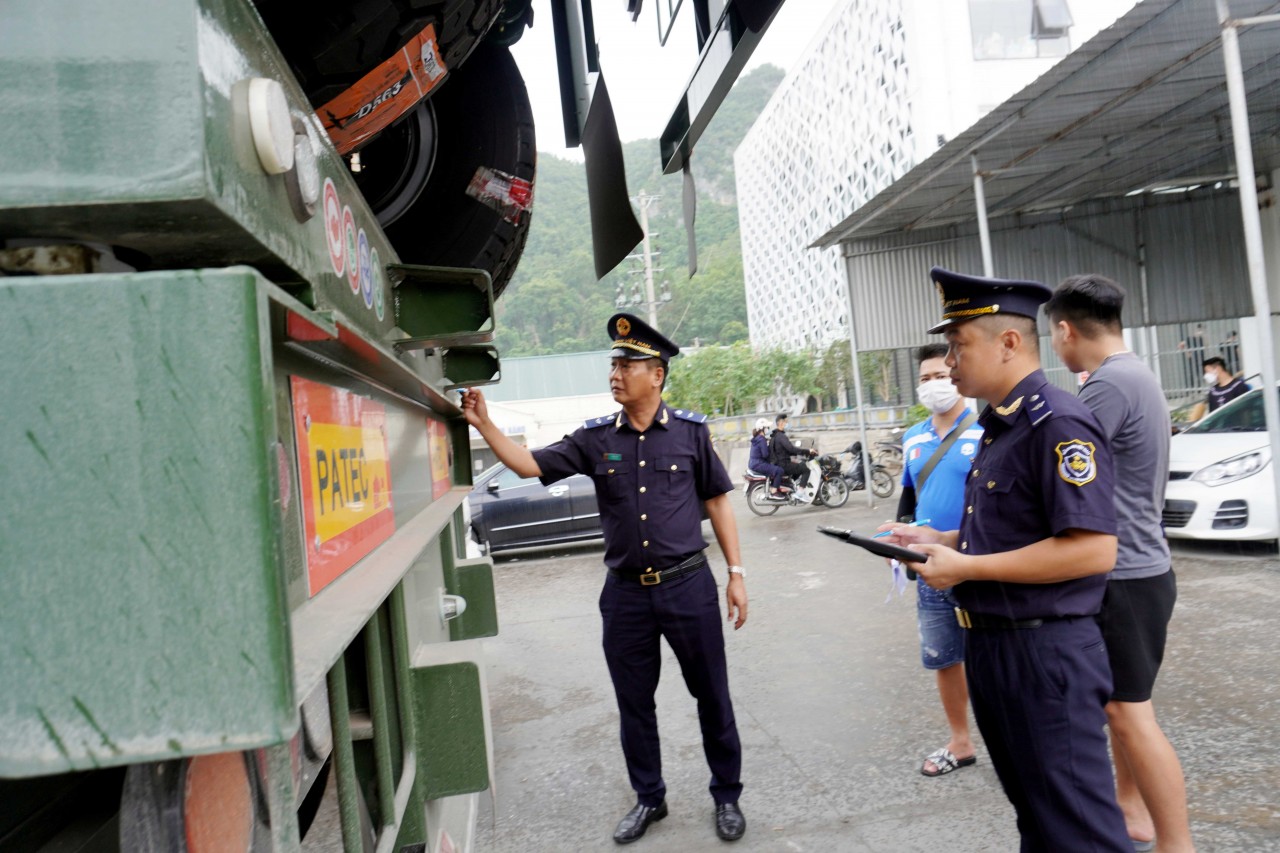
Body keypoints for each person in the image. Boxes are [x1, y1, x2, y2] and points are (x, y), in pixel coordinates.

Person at [461, 313, 750, 845]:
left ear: (656, 375)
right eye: (613, 364)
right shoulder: (595, 440)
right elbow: (528, 465)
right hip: (624, 596)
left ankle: (726, 794)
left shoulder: (689, 433)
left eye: (627, 364)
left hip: (689, 585)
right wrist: (484, 424)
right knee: (634, 703)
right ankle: (649, 799)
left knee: (712, 694)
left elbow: (717, 501)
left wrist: (735, 574)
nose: (615, 373)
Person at [883, 267, 1131, 851]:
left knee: (1080, 830)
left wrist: (965, 569)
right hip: (995, 647)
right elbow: (1006, 533)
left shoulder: (1058, 422)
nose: (949, 361)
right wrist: (937, 541)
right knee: (1037, 817)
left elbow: (1094, 549)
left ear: (1010, 343)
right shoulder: (1000, 428)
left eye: (959, 344)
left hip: (1045, 654)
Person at [1046, 275, 1194, 852]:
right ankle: (1129, 808)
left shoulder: (1106, 386)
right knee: (1122, 706)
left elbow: (1063, 475)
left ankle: (1176, 844)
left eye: (1053, 336)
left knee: (1132, 715)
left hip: (1125, 575)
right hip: (1143, 568)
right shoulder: (1138, 374)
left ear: (1065, 329)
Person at [897, 343, 983, 777]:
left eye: (941, 375)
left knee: (996, 656)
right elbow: (909, 503)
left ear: (958, 374)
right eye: (926, 378)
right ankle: (960, 741)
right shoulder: (912, 437)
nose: (934, 385)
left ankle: (1016, 741)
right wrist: (895, 540)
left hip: (984, 566)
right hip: (931, 569)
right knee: (944, 657)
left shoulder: (988, 430)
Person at [1188, 356, 1249, 422]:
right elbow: (1212, 415)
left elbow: (1245, 412)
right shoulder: (1213, 391)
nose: (1206, 375)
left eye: (1207, 371)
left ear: (1218, 368)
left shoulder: (1239, 386)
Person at [769, 413, 816, 488]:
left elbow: (783, 451)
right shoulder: (781, 436)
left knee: (801, 465)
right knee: (806, 470)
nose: (787, 424)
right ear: (781, 423)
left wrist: (798, 453)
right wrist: (807, 451)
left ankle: (793, 486)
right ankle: (800, 493)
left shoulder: (774, 436)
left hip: (778, 463)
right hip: (783, 465)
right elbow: (791, 448)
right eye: (786, 422)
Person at [748, 417, 787, 496]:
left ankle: (774, 487)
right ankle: (774, 491)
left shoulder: (757, 438)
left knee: (773, 469)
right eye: (767, 428)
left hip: (753, 463)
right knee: (779, 470)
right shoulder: (761, 439)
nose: (768, 429)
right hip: (758, 464)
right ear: (763, 429)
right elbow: (765, 454)